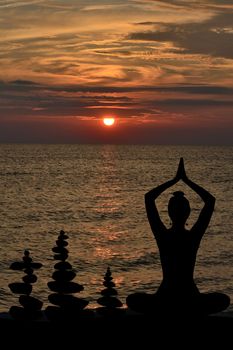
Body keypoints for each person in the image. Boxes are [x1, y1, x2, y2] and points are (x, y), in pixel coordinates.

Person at [126, 158, 230, 315]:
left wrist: (174, 180)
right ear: (188, 213)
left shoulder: (163, 235)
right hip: (189, 298)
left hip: (166, 297)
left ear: (169, 213)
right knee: (223, 300)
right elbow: (209, 201)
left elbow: (149, 198)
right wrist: (185, 180)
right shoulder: (192, 236)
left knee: (133, 300)